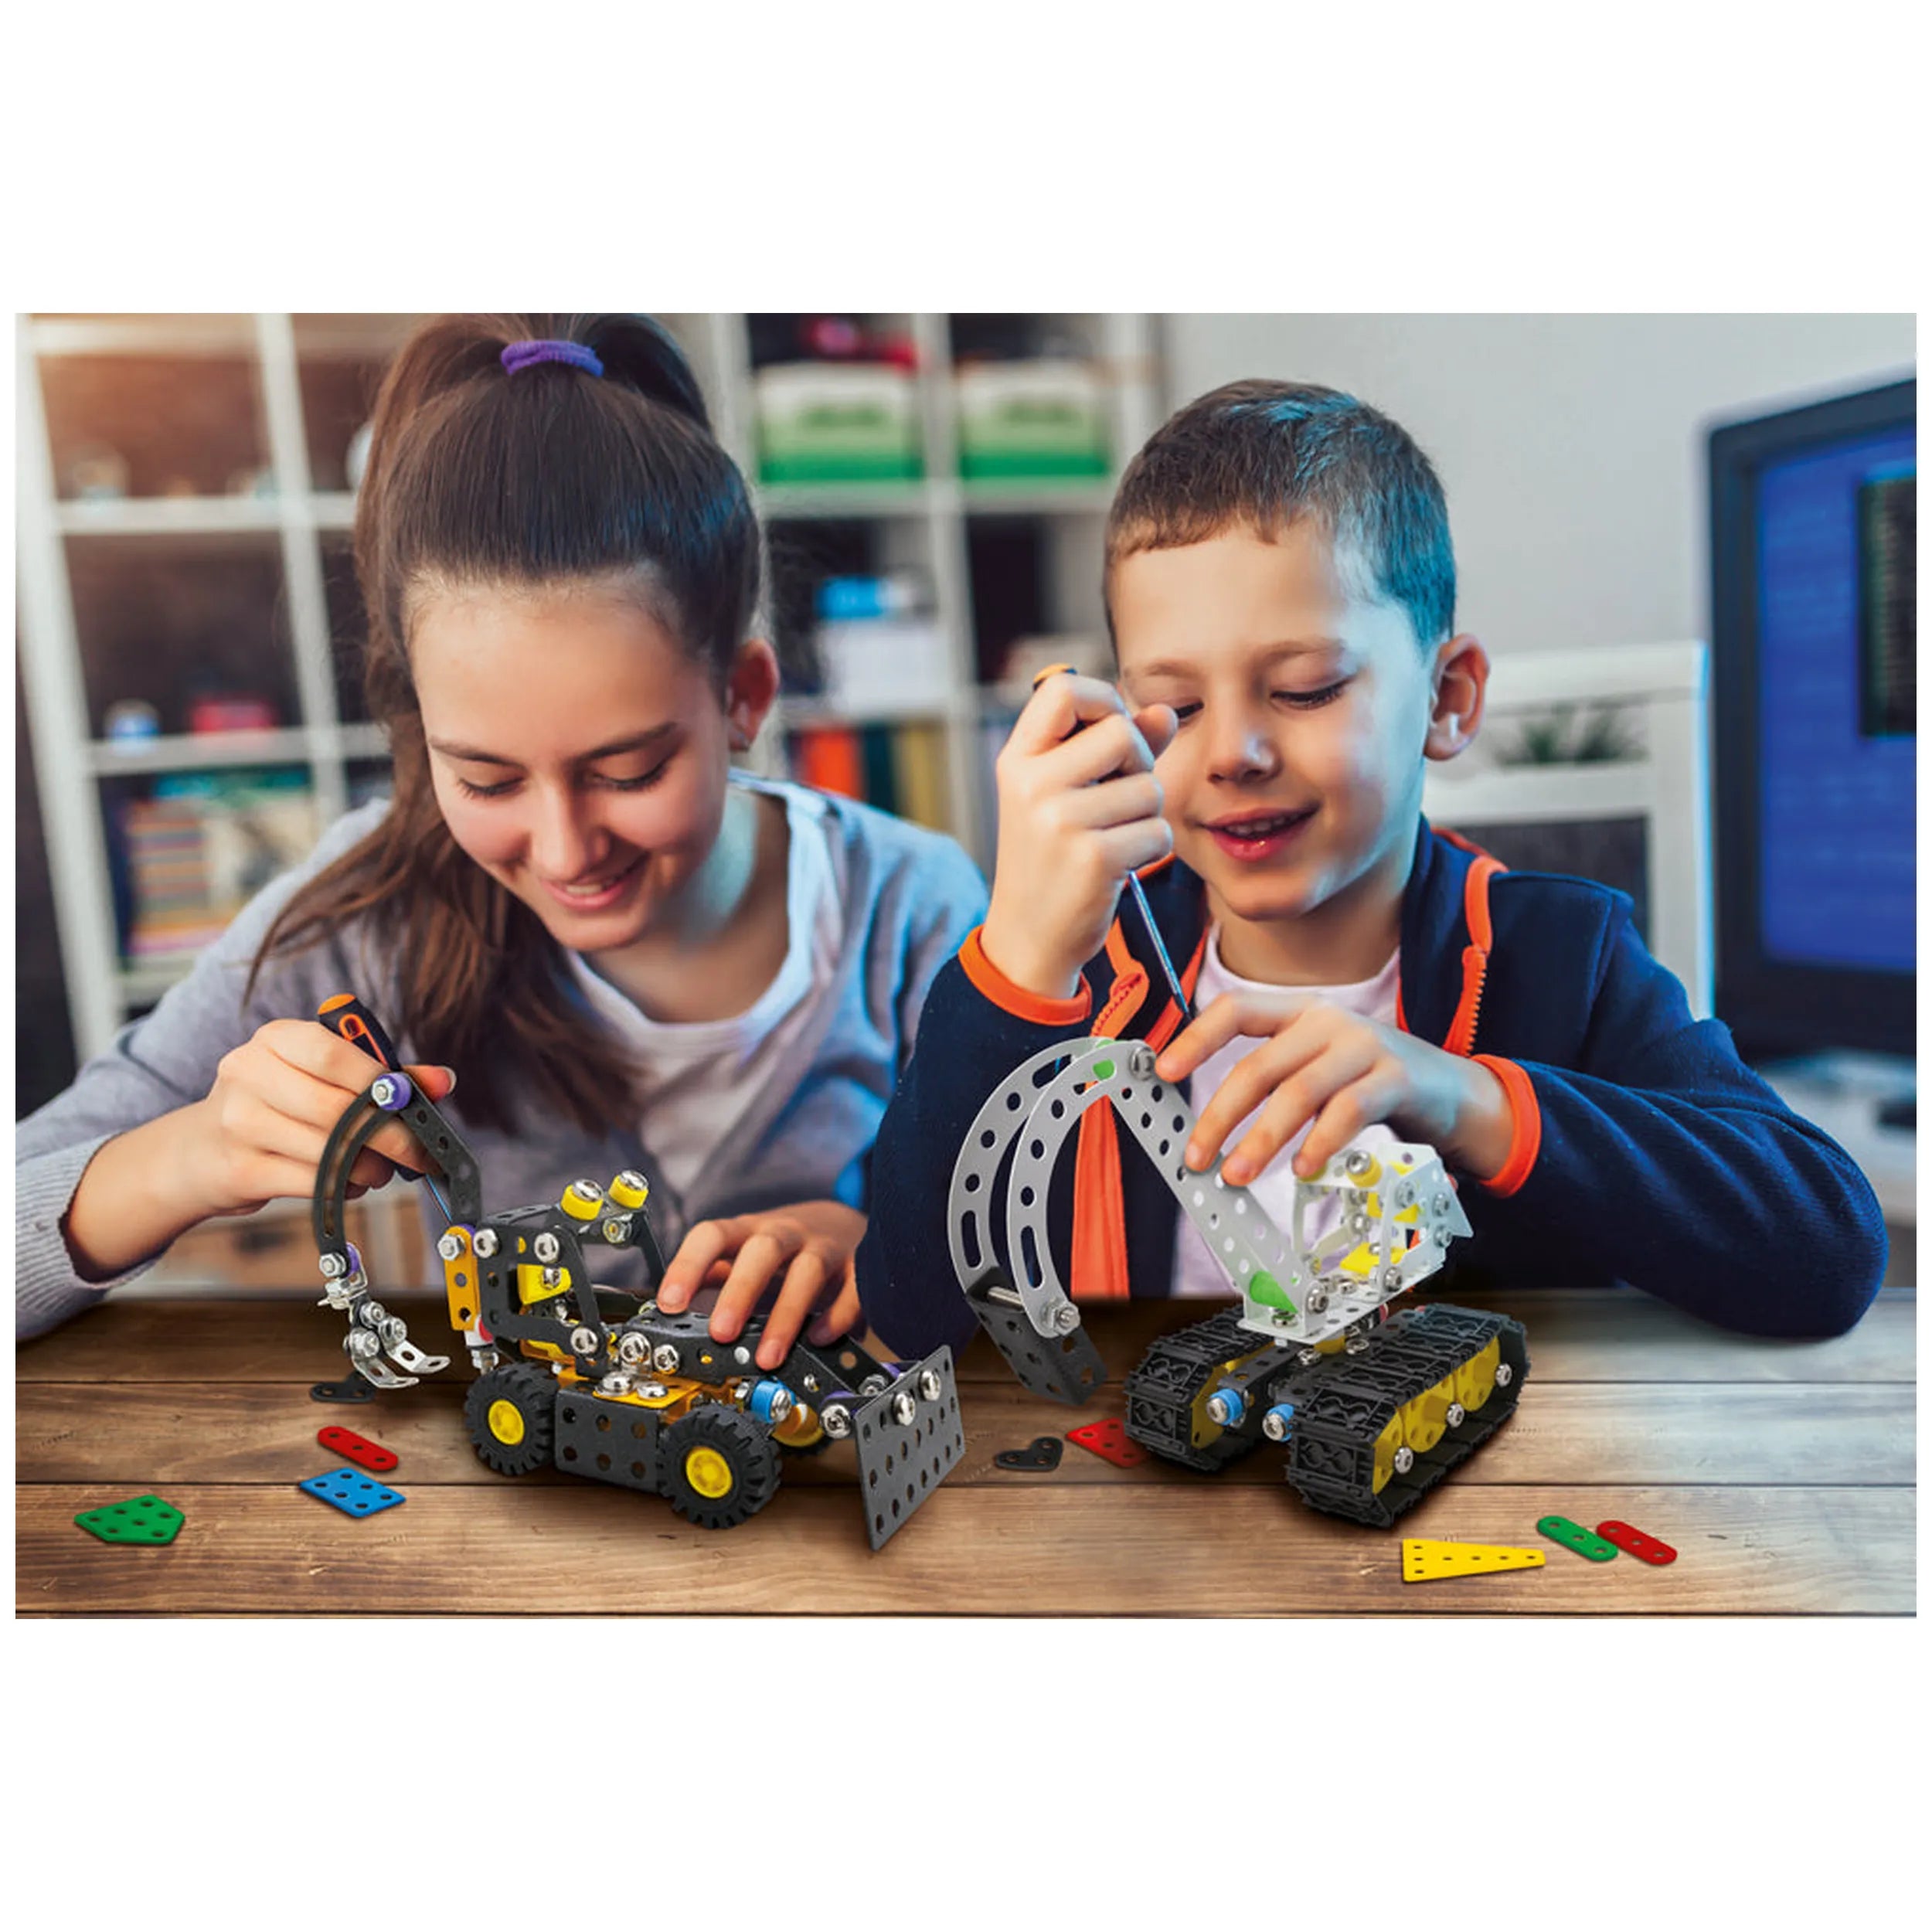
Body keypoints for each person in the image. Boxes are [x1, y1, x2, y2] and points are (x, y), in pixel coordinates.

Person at [17, 314, 988, 1364]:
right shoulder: (368, 910)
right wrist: (191, 1156)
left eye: (628, 772)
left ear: (744, 696)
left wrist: (896, 1257)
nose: (565, 853)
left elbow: (1068, 1251)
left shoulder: (913, 905)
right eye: (483, 778)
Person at [855, 379, 1886, 1355]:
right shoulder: (1080, 968)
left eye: (1305, 688)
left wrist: (1465, 1098)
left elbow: (1826, 1251)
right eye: (1180, 702)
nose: (1232, 754)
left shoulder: (1560, 958)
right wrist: (1022, 961)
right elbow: (909, 1316)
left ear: (1446, 700)